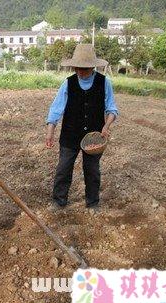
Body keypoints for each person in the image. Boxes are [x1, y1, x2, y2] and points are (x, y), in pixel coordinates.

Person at [45, 43, 118, 214]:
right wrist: (50, 132)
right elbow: (56, 109)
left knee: (92, 171)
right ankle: (59, 201)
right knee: (63, 169)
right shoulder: (68, 83)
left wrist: (106, 126)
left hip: (94, 138)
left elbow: (112, 109)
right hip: (70, 135)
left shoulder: (104, 82)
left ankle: (92, 203)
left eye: (84, 69)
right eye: (77, 68)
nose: (79, 72)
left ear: (93, 67)